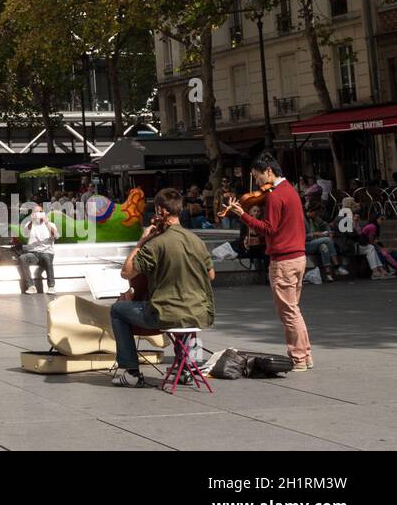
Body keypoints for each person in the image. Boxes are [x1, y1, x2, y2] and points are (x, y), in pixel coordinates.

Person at [109, 187, 215, 387]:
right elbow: (211, 275)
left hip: (165, 315)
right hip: (199, 313)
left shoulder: (156, 243)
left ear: (160, 211)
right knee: (183, 310)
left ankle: (131, 372)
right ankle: (184, 369)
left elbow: (126, 273)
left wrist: (142, 241)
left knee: (117, 310)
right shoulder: (197, 241)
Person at [229, 152, 311, 371]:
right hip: (298, 257)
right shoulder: (290, 191)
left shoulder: (275, 196)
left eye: (257, 177)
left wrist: (243, 215)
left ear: (268, 172)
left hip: (284, 260)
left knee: (288, 311)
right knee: (294, 309)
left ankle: (299, 357)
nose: (256, 182)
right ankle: (305, 354)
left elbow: (268, 229)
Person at [18, 202, 58, 294]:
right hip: (34, 254)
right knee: (22, 258)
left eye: (40, 211)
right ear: (32, 214)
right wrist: (32, 221)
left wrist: (46, 222)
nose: (38, 213)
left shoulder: (50, 224)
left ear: (44, 213)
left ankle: (51, 286)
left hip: (47, 253)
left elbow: (55, 235)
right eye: (36, 212)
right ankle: (31, 286)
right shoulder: (30, 224)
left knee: (47, 259)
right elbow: (25, 233)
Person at [304, 203, 346, 282]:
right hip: (306, 244)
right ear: (311, 211)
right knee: (327, 240)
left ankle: (328, 274)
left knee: (324, 247)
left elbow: (325, 224)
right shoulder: (302, 219)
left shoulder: (315, 217)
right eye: (316, 213)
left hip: (316, 242)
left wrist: (329, 232)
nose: (317, 216)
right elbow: (302, 236)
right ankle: (337, 266)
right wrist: (316, 234)